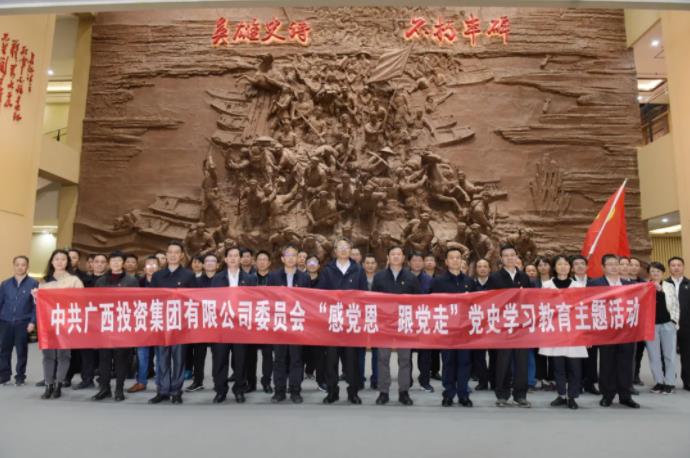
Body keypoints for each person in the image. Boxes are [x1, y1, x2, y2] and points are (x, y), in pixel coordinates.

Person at [316, 237, 368, 404]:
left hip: (351, 322)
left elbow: (364, 295)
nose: (344, 250)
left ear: (351, 250)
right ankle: (332, 391)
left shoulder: (358, 270)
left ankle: (353, 392)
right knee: (331, 360)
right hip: (333, 322)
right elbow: (321, 294)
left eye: (346, 247)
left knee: (352, 360)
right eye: (340, 247)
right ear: (335, 251)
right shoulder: (327, 270)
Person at [589, 254, 640, 408]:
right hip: (606, 330)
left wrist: (656, 288)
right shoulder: (594, 284)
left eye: (616, 263)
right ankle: (607, 395)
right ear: (603, 267)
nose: (614, 266)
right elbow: (588, 306)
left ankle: (625, 395)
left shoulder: (629, 284)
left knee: (626, 363)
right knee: (607, 363)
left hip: (626, 331)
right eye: (610, 264)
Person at [148, 241, 196, 405]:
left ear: (181, 255)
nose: (173, 255)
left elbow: (194, 300)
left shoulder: (188, 276)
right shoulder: (157, 276)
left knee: (179, 359)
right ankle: (162, 390)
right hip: (161, 323)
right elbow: (151, 300)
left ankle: (176, 391)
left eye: (177, 252)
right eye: (170, 252)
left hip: (180, 325)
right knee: (162, 359)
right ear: (166, 255)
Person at [372, 246, 420, 406]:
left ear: (403, 258)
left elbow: (417, 302)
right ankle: (383, 392)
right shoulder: (379, 277)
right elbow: (373, 300)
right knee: (383, 358)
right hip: (384, 324)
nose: (396, 256)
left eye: (399, 254)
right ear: (388, 257)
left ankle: (403, 392)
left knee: (405, 359)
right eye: (393, 254)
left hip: (404, 324)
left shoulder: (411, 278)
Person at [210, 246, 258, 404]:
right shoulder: (217, 279)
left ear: (241, 259)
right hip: (221, 326)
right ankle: (220, 390)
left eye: (236, 255)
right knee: (219, 360)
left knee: (241, 360)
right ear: (225, 259)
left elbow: (253, 302)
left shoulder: (250, 279)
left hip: (240, 326)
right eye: (230, 255)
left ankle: (239, 389)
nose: (233, 258)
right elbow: (211, 301)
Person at [539, 255, 587, 409]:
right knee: (558, 366)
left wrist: (585, 334)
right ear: (555, 267)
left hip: (574, 332)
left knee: (575, 366)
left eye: (566, 264)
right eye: (559, 264)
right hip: (555, 332)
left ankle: (572, 396)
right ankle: (561, 394)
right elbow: (542, 308)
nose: (563, 267)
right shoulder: (547, 285)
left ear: (570, 267)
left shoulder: (578, 286)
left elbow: (584, 310)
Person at [487, 245, 533, 407]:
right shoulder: (495, 278)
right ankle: (502, 394)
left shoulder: (524, 277)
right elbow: (490, 301)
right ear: (501, 259)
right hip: (503, 326)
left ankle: (520, 395)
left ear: (516, 257)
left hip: (521, 326)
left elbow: (530, 300)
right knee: (503, 362)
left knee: (522, 362)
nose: (509, 258)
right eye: (506, 256)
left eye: (512, 255)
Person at [35, 249, 84, 399]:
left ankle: (59, 384)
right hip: (48, 323)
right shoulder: (44, 281)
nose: (59, 262)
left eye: (63, 259)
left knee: (64, 355)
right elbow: (40, 305)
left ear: (67, 262)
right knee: (48, 355)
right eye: (56, 259)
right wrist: (35, 297)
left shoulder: (74, 280)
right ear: (52, 262)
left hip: (66, 322)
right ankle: (48, 384)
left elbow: (82, 301)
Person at [431, 248, 475, 407]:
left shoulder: (469, 282)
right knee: (448, 362)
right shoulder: (438, 282)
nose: (455, 260)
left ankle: (463, 394)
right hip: (447, 330)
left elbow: (476, 305)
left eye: (458, 257)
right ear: (446, 261)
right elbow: (432, 304)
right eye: (452, 258)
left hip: (464, 330)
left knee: (464, 362)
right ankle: (448, 394)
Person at [93, 251, 140, 402]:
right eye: (113, 261)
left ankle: (119, 389)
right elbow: (95, 303)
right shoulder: (101, 281)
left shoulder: (131, 281)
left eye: (119, 261)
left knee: (121, 359)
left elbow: (136, 303)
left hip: (123, 325)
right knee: (104, 359)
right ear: (109, 263)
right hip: (105, 324)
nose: (115, 263)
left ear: (123, 263)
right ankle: (104, 388)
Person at [267, 245, 312, 403]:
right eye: (288, 255)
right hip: (279, 323)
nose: (291, 258)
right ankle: (279, 391)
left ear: (298, 258)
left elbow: (309, 301)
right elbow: (269, 299)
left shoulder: (304, 278)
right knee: (279, 358)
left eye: (294, 255)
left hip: (296, 324)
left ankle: (295, 391)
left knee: (296, 359)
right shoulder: (273, 277)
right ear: (282, 258)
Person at [68, 253, 108, 390]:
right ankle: (87, 379)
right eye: (96, 261)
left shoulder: (109, 281)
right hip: (86, 319)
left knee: (104, 353)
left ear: (106, 264)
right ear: (91, 263)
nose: (99, 264)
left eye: (102, 262)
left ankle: (103, 380)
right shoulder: (83, 281)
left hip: (104, 319)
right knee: (86, 352)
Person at [0, 256, 38, 386]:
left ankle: (20, 376)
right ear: (14, 265)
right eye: (17, 264)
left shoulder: (33, 284)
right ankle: (4, 376)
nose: (20, 267)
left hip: (23, 322)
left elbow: (35, 306)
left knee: (21, 351)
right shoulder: (5, 284)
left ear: (27, 266)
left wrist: (32, 321)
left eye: (23, 264)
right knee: (4, 350)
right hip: (5, 321)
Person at [184, 253, 219, 393]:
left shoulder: (223, 280)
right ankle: (198, 381)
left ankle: (218, 381)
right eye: (207, 261)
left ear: (217, 265)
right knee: (199, 354)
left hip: (218, 322)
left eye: (213, 261)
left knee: (218, 354)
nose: (209, 263)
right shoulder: (195, 281)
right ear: (203, 265)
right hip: (200, 323)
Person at [127, 255, 159, 393]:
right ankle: (141, 381)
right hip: (142, 322)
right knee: (142, 354)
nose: (151, 268)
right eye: (148, 265)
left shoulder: (164, 282)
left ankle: (161, 382)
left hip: (159, 322)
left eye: (154, 265)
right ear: (144, 268)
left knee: (161, 354)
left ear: (159, 268)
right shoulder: (137, 282)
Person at [646, 262, 679, 394]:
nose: (655, 273)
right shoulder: (644, 286)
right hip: (650, 325)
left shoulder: (669, 286)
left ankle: (670, 383)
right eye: (653, 271)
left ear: (662, 273)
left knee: (669, 355)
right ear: (649, 273)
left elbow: (675, 305)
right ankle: (658, 382)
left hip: (667, 324)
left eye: (658, 271)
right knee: (653, 355)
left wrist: (674, 321)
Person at [247, 250, 273, 394]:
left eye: (265, 259)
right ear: (255, 262)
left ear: (269, 263)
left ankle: (266, 382)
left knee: (268, 355)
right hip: (252, 322)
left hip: (269, 322)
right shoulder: (249, 279)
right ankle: (251, 383)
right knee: (251, 355)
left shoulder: (275, 279)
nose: (262, 262)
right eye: (260, 260)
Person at [408, 251, 434, 392]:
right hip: (408, 321)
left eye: (419, 260)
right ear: (409, 263)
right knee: (406, 354)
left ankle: (425, 381)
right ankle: (407, 381)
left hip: (425, 321)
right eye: (414, 260)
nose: (417, 263)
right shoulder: (404, 277)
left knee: (425, 355)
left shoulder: (430, 280)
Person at [666, 256, 690, 391]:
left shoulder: (688, 284)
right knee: (668, 354)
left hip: (686, 325)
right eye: (673, 265)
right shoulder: (664, 284)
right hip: (668, 325)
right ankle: (669, 380)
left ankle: (688, 381)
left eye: (679, 265)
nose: (676, 267)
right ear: (669, 267)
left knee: (687, 354)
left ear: (683, 267)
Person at [471, 258, 493, 391]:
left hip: (493, 323)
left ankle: (494, 380)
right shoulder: (471, 285)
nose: (482, 269)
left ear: (489, 269)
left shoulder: (495, 284)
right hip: (477, 324)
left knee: (494, 354)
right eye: (479, 266)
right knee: (479, 355)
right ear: (476, 269)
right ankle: (482, 381)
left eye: (485, 266)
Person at [360, 253, 379, 390]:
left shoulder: (381, 278)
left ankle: (376, 379)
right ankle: (359, 378)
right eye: (367, 263)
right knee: (360, 351)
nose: (370, 265)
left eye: (372, 263)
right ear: (363, 265)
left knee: (377, 351)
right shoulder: (358, 278)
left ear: (376, 265)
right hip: (360, 318)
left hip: (378, 319)